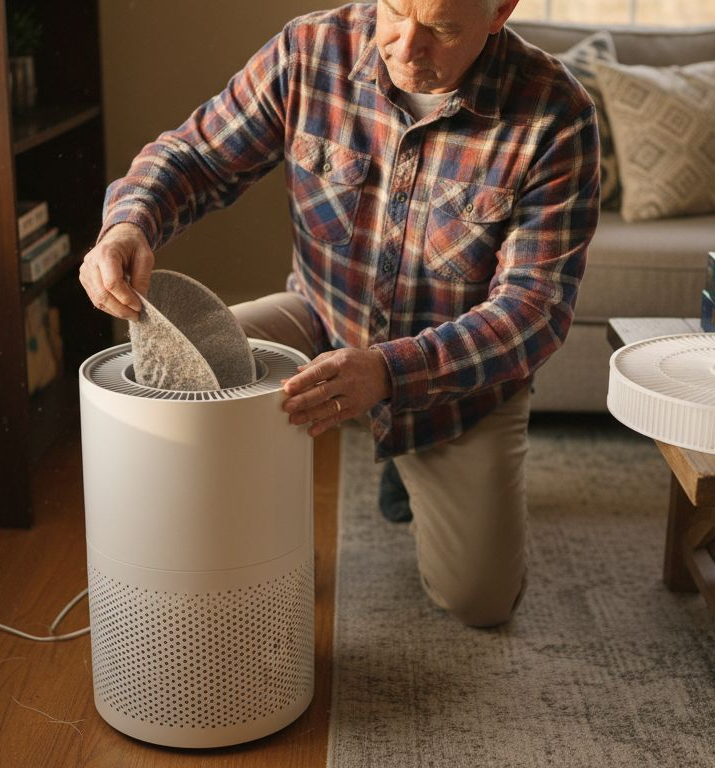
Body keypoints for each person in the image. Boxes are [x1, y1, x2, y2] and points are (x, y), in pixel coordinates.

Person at [80, 0, 599, 627]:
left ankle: (406, 466)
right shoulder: (308, 51)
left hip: (452, 388)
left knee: (479, 603)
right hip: (320, 319)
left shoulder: (557, 114)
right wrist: (127, 224)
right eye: (397, 11)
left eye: (440, 29)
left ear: (500, 12)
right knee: (178, 370)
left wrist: (386, 374)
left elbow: (533, 310)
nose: (407, 47)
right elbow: (196, 156)